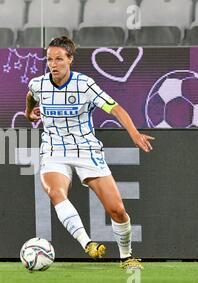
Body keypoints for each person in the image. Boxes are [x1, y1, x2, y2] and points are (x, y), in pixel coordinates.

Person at [26, 37, 154, 270]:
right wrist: (29, 113)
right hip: (53, 149)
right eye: (49, 60)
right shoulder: (39, 84)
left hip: (86, 149)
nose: (53, 65)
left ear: (70, 59)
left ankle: (126, 257)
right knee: (56, 193)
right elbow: (30, 96)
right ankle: (87, 244)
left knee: (117, 209)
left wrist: (134, 134)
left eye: (59, 59)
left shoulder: (84, 85)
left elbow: (115, 108)